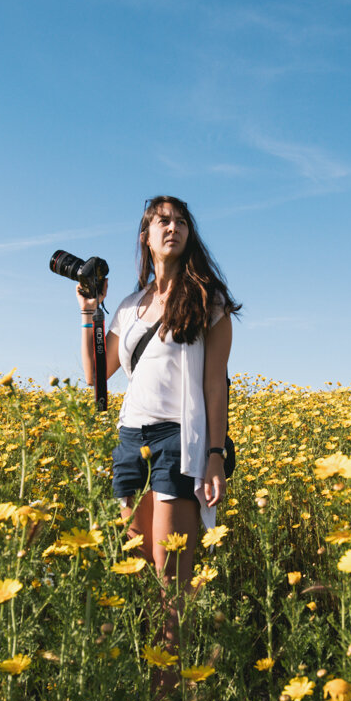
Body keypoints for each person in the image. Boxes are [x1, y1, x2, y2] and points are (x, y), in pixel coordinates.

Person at [77, 196, 240, 652]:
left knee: (173, 580)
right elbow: (96, 375)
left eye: (182, 221)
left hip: (177, 441)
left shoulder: (209, 301)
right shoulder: (129, 306)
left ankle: (170, 698)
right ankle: (156, 677)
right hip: (131, 440)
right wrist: (90, 309)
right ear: (146, 237)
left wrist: (213, 457)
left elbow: (215, 386)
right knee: (144, 568)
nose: (173, 228)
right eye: (163, 221)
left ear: (189, 235)